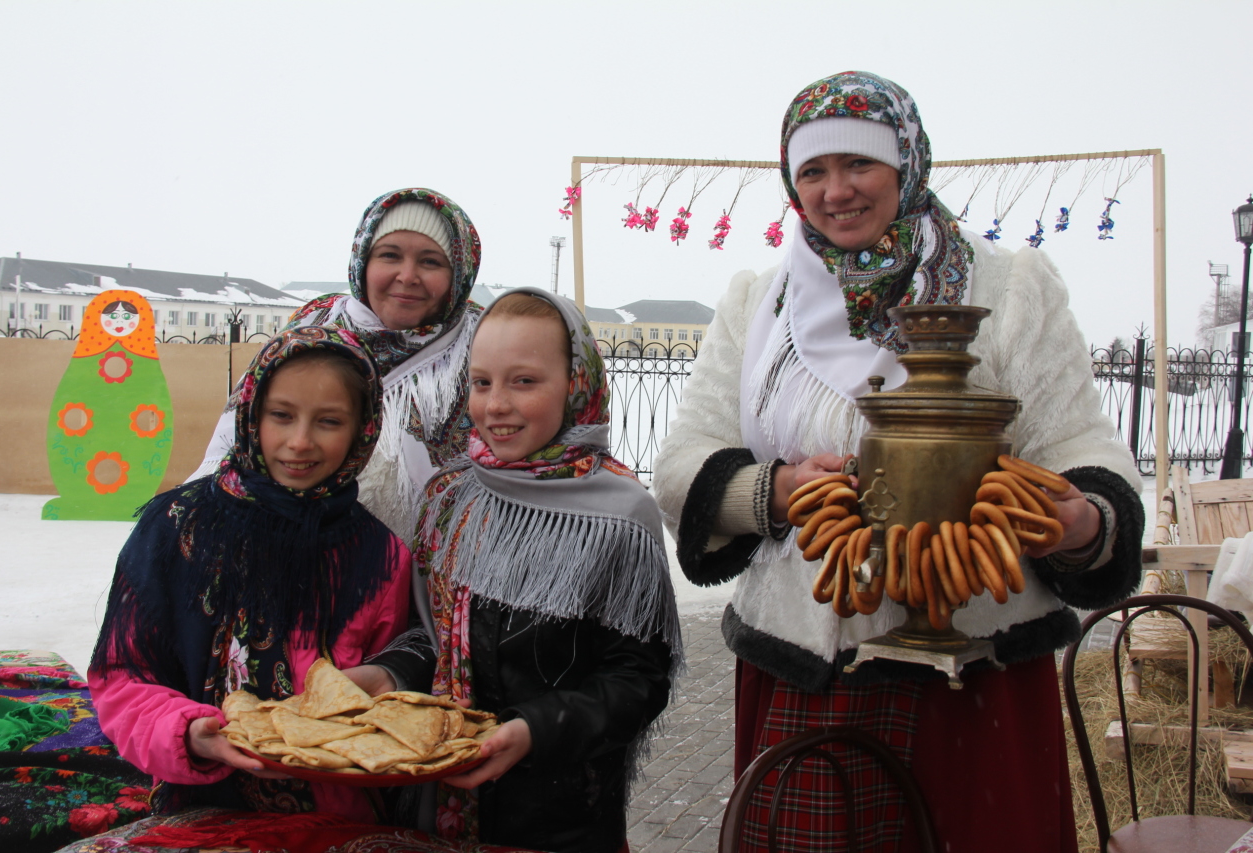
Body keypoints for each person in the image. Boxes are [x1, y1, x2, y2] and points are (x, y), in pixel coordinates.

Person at [653, 71, 1145, 852]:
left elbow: (1079, 446)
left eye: (859, 164)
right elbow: (681, 460)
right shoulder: (760, 303)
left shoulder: (1008, 287)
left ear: (907, 164)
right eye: (812, 171)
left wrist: (1081, 521)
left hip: (974, 673)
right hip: (807, 668)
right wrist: (774, 491)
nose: (835, 190)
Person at [90, 326, 410, 822]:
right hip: (202, 807)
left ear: (362, 429)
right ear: (250, 413)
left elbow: (394, 699)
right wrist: (189, 733)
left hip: (337, 818)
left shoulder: (379, 555)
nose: (299, 442)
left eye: (328, 421)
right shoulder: (176, 527)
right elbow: (122, 679)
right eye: (281, 415)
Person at [413, 288, 683, 853]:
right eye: (482, 382)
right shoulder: (449, 496)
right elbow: (426, 632)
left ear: (577, 385)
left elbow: (638, 680)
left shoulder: (620, 513)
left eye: (524, 381)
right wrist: (388, 674)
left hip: (561, 815)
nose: (495, 405)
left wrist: (535, 730)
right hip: (434, 799)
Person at [190, 187, 482, 697]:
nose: (407, 275)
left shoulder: (479, 343)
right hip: (292, 574)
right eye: (389, 255)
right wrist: (195, 526)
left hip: (424, 596)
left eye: (430, 261)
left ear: (458, 272)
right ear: (362, 258)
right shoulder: (316, 324)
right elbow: (238, 434)